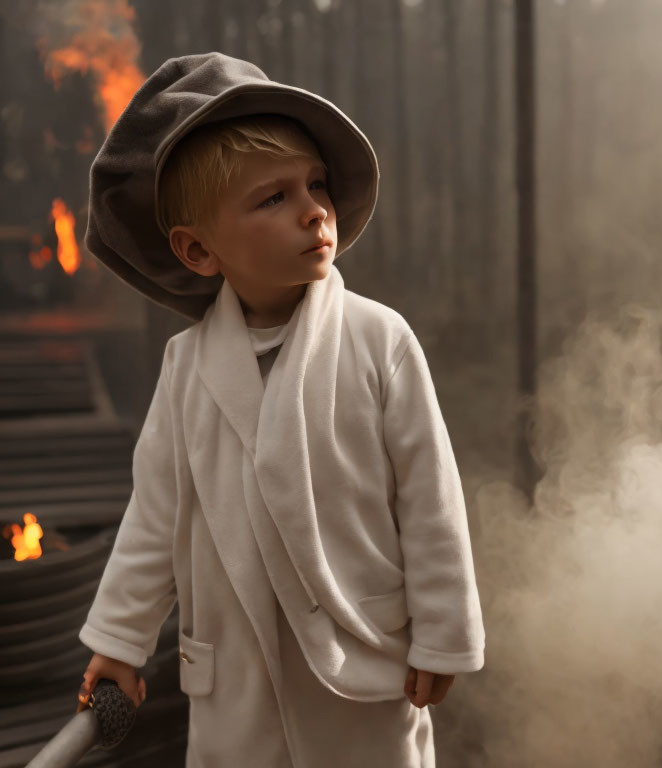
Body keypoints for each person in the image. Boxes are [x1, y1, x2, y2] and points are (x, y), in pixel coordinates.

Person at [75, 52, 485, 767]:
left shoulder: (378, 341)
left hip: (360, 663)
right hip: (236, 686)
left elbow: (429, 501)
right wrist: (118, 642)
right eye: (273, 198)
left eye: (316, 184)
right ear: (199, 249)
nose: (314, 209)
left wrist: (443, 632)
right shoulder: (187, 368)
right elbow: (154, 518)